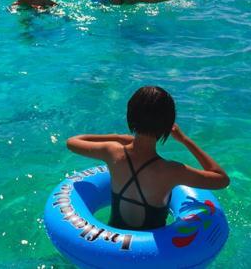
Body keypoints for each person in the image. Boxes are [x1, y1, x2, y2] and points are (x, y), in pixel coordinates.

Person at [66, 85, 229, 231]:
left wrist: (118, 138)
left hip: (111, 247)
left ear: (130, 116)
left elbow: (73, 142)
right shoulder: (172, 171)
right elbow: (221, 179)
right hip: (150, 256)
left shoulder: (112, 152)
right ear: (167, 124)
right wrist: (185, 140)